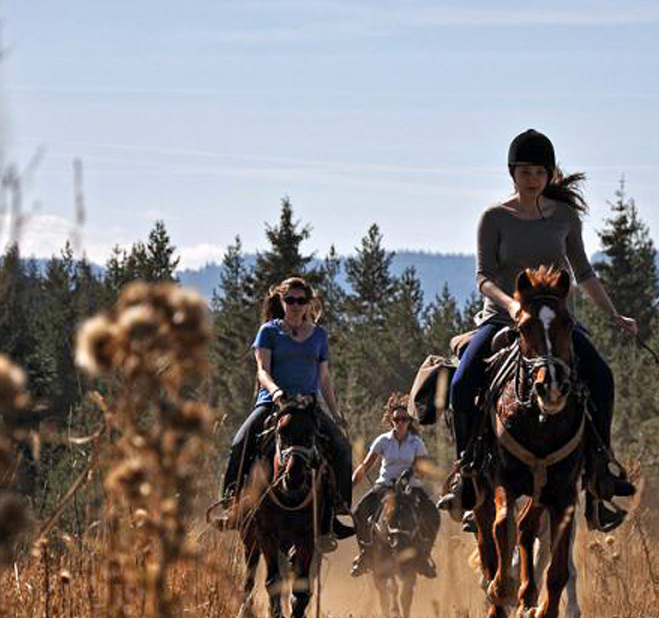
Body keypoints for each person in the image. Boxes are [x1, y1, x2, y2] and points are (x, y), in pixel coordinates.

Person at [438, 128, 636, 530]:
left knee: (600, 376)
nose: (532, 178)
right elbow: (483, 276)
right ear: (513, 173)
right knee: (461, 383)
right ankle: (468, 472)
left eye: (539, 171)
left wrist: (613, 313)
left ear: (549, 174)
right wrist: (511, 306)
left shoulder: (564, 217)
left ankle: (601, 468)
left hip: (556, 322)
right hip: (502, 317)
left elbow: (582, 272)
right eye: (525, 171)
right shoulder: (494, 218)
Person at [221, 276, 353, 552]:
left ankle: (336, 509)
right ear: (281, 302)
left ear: (308, 304)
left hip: (308, 406)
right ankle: (232, 503)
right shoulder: (269, 331)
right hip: (273, 403)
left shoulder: (319, 335)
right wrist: (277, 392)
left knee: (340, 446)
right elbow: (262, 370)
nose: (295, 305)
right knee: (240, 441)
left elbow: (324, 378)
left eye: (300, 300)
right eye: (290, 300)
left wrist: (335, 411)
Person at [350, 395, 439, 578]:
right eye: (397, 419)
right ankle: (365, 554)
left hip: (410, 487)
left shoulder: (417, 443)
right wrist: (350, 485)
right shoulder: (383, 440)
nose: (400, 423)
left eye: (404, 419)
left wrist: (412, 472)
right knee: (359, 511)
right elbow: (366, 465)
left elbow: (422, 468)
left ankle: (424, 556)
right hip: (385, 486)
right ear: (391, 420)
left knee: (433, 514)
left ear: (409, 421)